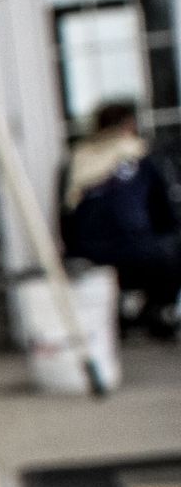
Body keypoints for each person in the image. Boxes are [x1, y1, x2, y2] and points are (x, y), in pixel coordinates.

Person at [60, 97, 181, 338]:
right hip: (138, 252)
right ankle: (156, 311)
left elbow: (65, 216)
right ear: (129, 124)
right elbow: (163, 211)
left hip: (85, 253)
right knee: (171, 249)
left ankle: (125, 315)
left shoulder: (77, 160)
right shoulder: (138, 155)